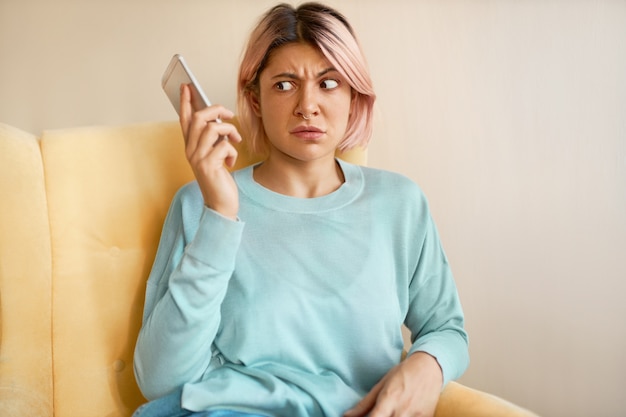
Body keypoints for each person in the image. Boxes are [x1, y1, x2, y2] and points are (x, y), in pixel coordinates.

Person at [133, 3, 469, 417]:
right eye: (284, 85)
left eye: (328, 83)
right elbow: (159, 380)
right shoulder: (197, 202)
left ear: (353, 96)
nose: (307, 105)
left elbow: (446, 329)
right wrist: (220, 214)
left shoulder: (400, 203)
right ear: (254, 100)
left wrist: (427, 365)